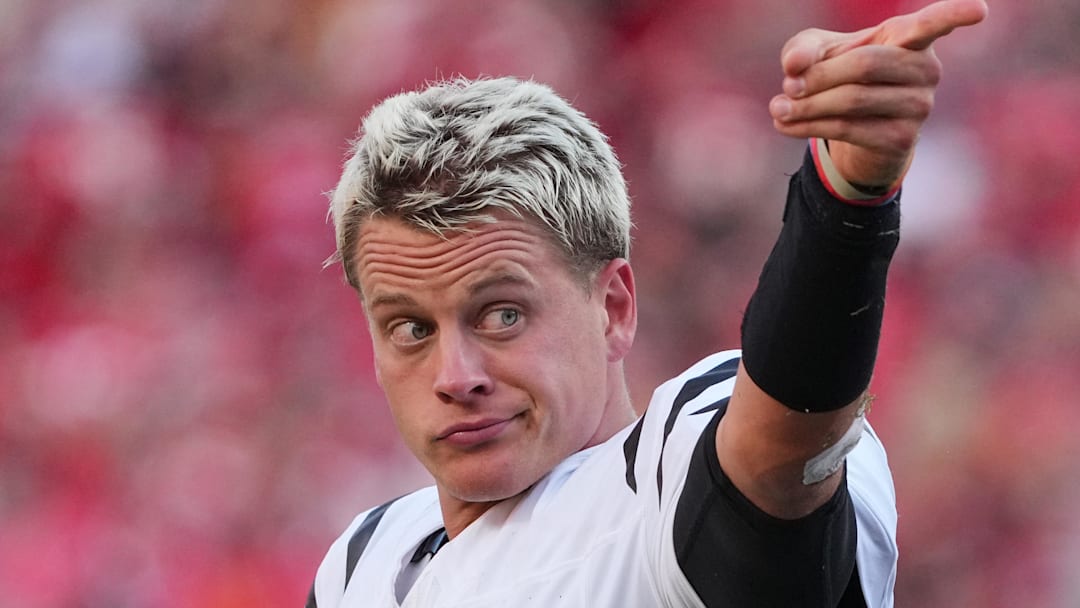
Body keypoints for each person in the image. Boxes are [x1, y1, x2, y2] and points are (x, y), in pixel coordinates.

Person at [306, 1, 987, 606]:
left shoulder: (664, 479)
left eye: (502, 314)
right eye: (411, 328)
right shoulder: (364, 566)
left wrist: (844, 196)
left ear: (614, 308)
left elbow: (783, 439)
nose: (456, 376)